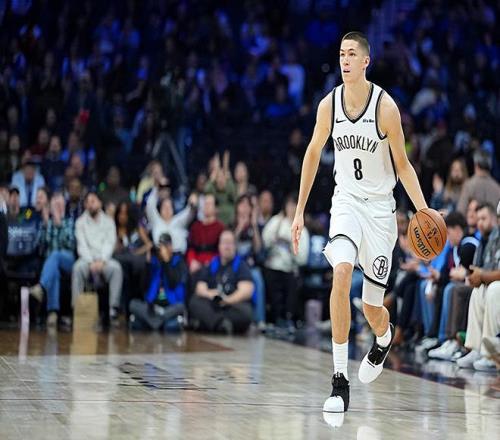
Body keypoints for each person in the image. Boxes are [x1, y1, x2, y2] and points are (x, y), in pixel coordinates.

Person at [291, 32, 428, 414]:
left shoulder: (386, 107)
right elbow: (312, 153)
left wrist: (423, 211)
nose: (345, 60)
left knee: (371, 308)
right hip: (347, 203)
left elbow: (403, 166)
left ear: (366, 61)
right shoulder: (329, 105)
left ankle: (384, 336)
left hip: (381, 212)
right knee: (341, 271)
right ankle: (339, 381)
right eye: (341, 54)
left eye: (352, 54)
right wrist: (299, 210)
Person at [189, 230, 254, 334]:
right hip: (213, 304)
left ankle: (210, 324)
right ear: (219, 246)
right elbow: (200, 287)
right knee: (194, 302)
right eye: (224, 243)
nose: (227, 246)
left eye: (230, 243)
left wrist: (228, 300)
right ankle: (220, 324)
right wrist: (210, 294)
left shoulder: (241, 266)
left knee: (246, 313)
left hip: (232, 305)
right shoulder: (212, 264)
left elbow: (247, 291)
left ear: (235, 246)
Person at [72, 191, 123, 324]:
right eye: (88, 202)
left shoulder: (109, 221)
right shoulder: (80, 222)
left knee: (116, 268)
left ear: (100, 203)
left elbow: (110, 243)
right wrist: (90, 262)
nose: (90, 204)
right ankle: (76, 308)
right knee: (77, 268)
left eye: (93, 201)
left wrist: (102, 260)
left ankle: (113, 309)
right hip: (87, 259)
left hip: (104, 259)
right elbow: (81, 245)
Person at [29, 193, 76, 327]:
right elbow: (39, 246)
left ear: (64, 206)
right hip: (51, 264)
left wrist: (59, 224)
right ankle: (53, 313)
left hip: (68, 260)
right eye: (55, 204)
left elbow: (71, 244)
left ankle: (41, 287)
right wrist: (45, 225)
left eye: (60, 204)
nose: (57, 207)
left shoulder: (69, 221)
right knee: (53, 270)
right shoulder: (47, 222)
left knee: (55, 255)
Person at [129, 233, 187, 331]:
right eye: (160, 247)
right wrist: (147, 265)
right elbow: (143, 287)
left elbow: (173, 282)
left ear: (170, 247)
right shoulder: (154, 262)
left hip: (170, 306)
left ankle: (153, 322)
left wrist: (167, 262)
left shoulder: (179, 261)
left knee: (180, 308)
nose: (161, 250)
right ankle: (158, 322)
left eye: (165, 246)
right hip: (153, 307)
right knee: (132, 304)